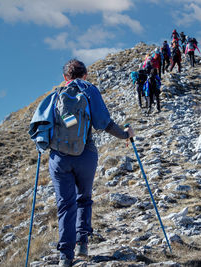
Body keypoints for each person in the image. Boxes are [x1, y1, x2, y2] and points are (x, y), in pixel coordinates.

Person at [31, 59, 135, 267]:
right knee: (84, 198)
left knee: (65, 205)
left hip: (59, 158)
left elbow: (41, 126)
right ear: (85, 75)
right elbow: (103, 123)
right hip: (86, 154)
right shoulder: (89, 90)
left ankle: (65, 256)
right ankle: (82, 244)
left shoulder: (55, 95)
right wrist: (125, 135)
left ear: (65, 77)